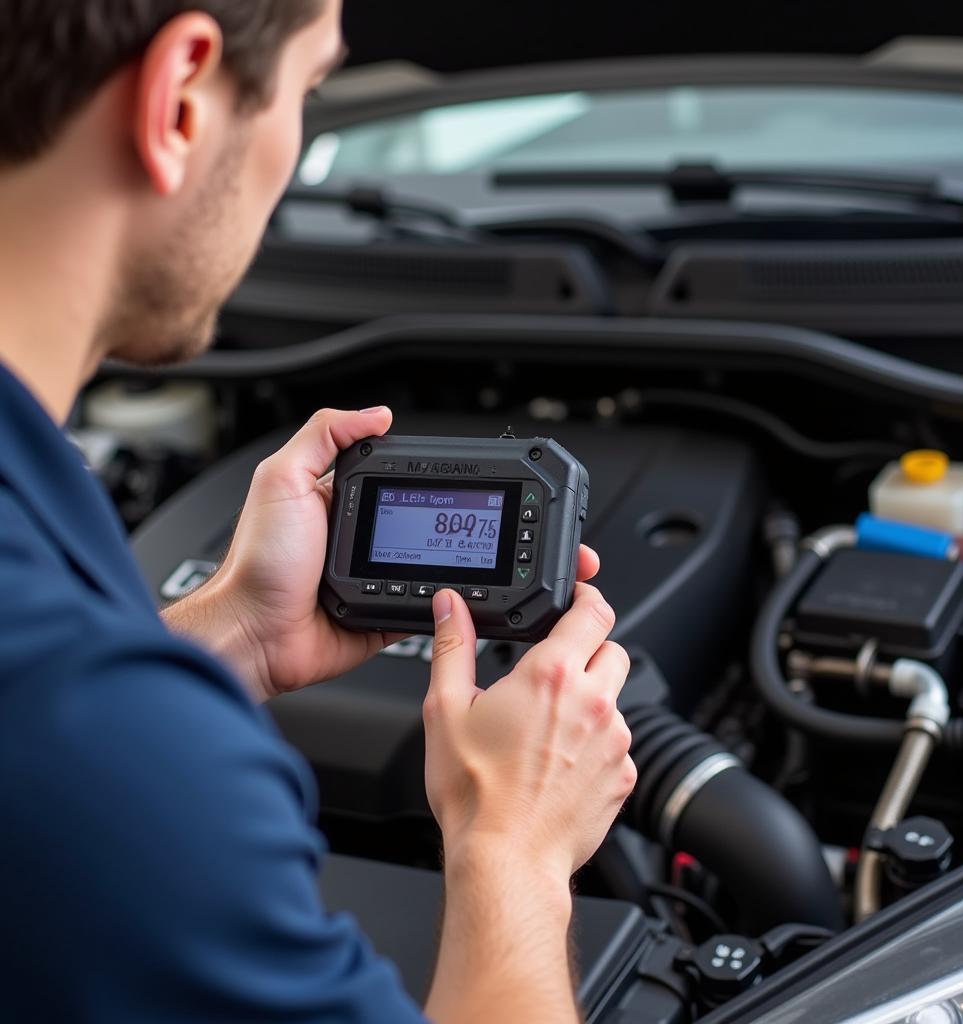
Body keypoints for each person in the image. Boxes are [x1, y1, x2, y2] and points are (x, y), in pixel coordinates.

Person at [0, 2, 637, 1021]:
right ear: (180, 98)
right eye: (309, 91)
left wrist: (237, 635)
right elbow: (72, 746)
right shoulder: (117, 749)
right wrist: (512, 841)